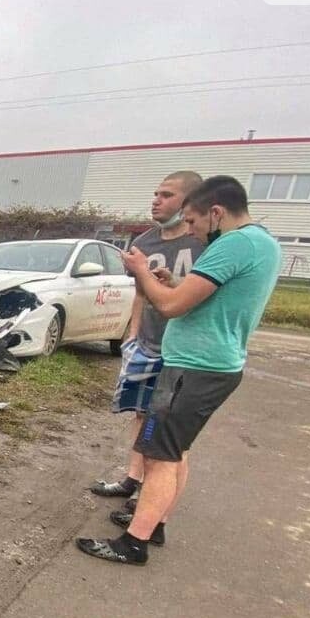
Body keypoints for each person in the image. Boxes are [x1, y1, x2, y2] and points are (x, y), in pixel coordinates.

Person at [77, 175, 282, 565]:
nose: (191, 229)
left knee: (159, 454)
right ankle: (154, 523)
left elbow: (171, 307)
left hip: (194, 367)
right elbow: (203, 296)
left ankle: (133, 543)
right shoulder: (264, 242)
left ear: (216, 212)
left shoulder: (234, 244)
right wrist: (174, 282)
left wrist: (141, 271)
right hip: (214, 364)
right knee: (175, 451)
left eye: (193, 220)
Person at [90, 171, 204, 502]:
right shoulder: (143, 244)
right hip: (147, 344)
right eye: (155, 193)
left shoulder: (203, 244)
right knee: (142, 413)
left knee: (167, 424)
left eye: (166, 195)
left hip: (184, 349)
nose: (156, 200)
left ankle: (152, 496)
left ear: (188, 203)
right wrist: (133, 334)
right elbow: (140, 293)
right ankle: (132, 479)